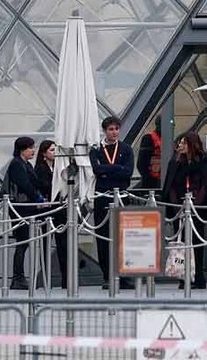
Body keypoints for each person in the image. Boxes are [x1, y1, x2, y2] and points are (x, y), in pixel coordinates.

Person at [161, 132, 207, 289]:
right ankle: (183, 275)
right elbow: (171, 185)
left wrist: (195, 206)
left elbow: (206, 186)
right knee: (181, 242)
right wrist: (175, 206)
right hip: (179, 209)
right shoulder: (175, 163)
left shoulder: (205, 161)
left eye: (184, 143)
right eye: (180, 143)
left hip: (197, 209)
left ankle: (197, 276)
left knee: (196, 243)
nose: (181, 146)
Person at [90, 116, 134, 291]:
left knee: (122, 238)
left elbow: (128, 172)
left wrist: (108, 170)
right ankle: (107, 275)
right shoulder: (96, 150)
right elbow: (96, 169)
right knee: (103, 237)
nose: (114, 132)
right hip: (102, 197)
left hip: (121, 196)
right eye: (110, 129)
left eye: (116, 129)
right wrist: (117, 168)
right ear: (104, 131)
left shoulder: (126, 148)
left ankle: (123, 275)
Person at [2, 137, 44, 289]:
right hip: (21, 207)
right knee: (22, 240)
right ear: (22, 149)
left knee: (24, 241)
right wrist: (38, 198)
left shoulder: (25, 164)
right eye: (30, 148)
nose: (33, 151)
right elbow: (25, 184)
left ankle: (19, 277)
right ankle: (17, 277)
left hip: (26, 206)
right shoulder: (17, 164)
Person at [34, 140, 68, 289]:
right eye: (52, 150)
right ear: (44, 153)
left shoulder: (59, 168)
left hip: (59, 209)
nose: (54, 153)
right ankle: (46, 280)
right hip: (46, 211)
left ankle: (66, 279)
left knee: (63, 245)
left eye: (55, 150)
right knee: (46, 245)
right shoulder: (40, 169)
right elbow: (43, 186)